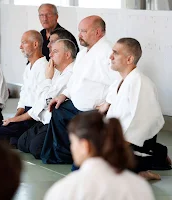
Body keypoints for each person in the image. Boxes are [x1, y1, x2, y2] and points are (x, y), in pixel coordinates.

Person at [41, 15, 118, 164]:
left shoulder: (108, 52)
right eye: (79, 31)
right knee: (58, 109)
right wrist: (63, 95)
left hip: (94, 110)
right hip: (76, 105)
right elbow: (74, 80)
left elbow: (119, 80)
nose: (79, 35)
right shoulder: (83, 54)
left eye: (83, 31)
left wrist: (108, 102)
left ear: (97, 32)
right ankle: (65, 154)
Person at [97, 37, 170, 180]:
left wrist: (119, 144)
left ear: (129, 59)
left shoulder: (141, 83)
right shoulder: (121, 80)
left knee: (104, 169)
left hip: (133, 142)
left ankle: (148, 161)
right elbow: (112, 99)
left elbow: (146, 121)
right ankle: (153, 156)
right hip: (120, 137)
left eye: (116, 53)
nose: (110, 57)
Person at [44, 111, 155, 200]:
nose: (71, 148)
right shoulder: (139, 186)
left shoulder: (65, 189)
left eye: (73, 142)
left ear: (85, 146)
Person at [6, 39, 75, 158]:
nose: (50, 55)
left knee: (36, 149)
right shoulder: (57, 72)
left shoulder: (72, 73)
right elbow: (39, 100)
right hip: (43, 120)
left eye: (55, 52)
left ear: (67, 55)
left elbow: (46, 100)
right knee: (22, 143)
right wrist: (17, 118)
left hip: (56, 123)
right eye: (51, 51)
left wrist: (48, 79)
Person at [0, 30, 48, 146]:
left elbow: (40, 104)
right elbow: (23, 97)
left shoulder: (45, 67)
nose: (20, 46)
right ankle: (18, 140)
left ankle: (21, 140)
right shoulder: (28, 67)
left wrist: (17, 120)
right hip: (24, 113)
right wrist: (15, 116)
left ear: (35, 44)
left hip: (34, 117)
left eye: (24, 42)